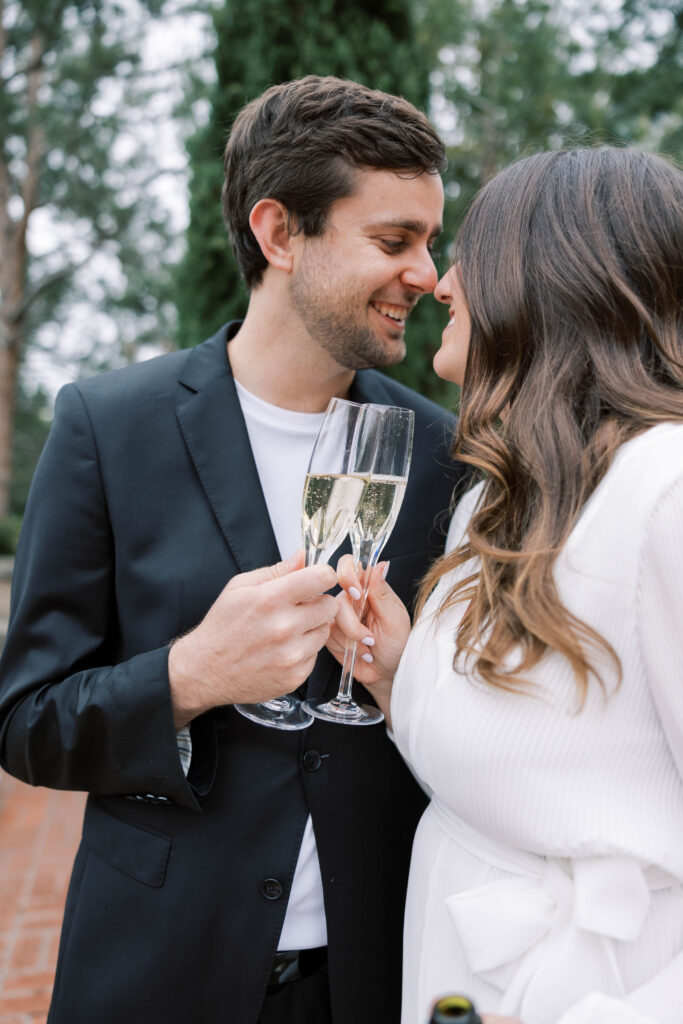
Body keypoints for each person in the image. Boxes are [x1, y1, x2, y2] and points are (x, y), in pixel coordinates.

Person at [0, 76, 468, 1024]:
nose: (427, 273)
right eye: (393, 241)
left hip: (375, 968)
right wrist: (186, 675)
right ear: (278, 233)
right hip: (157, 964)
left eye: (428, 241)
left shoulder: (439, 450)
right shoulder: (108, 427)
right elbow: (26, 721)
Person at [331, 146, 683, 1024]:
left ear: (552, 276)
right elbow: (501, 767)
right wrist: (395, 674)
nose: (441, 286)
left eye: (468, 255)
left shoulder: (665, 491)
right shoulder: (496, 493)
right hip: (457, 977)